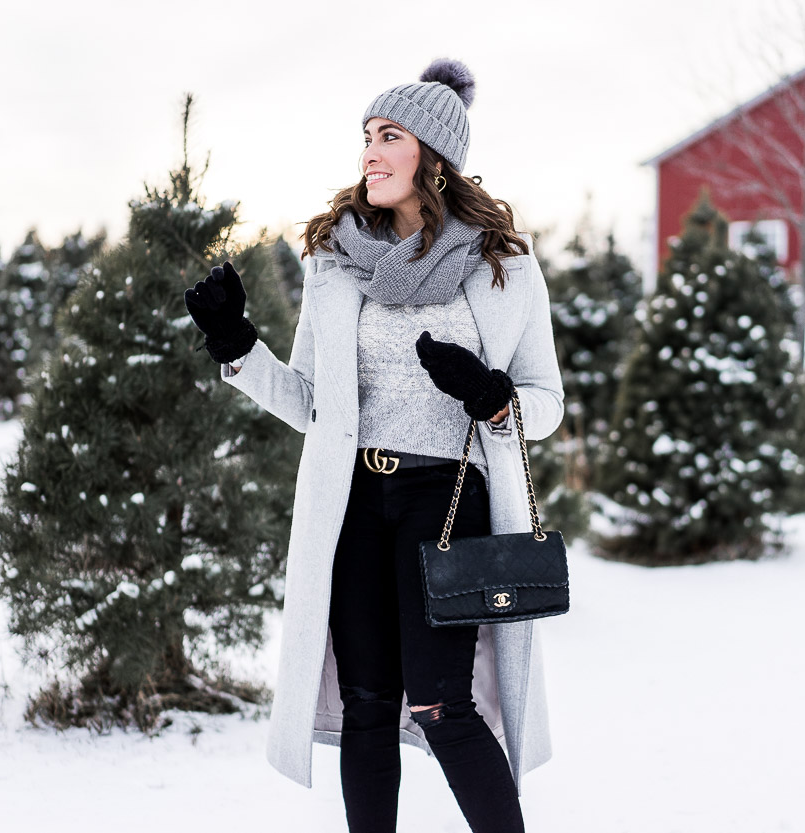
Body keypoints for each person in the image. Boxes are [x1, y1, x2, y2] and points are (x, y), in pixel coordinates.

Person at [183, 57, 564, 833]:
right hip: (354, 498)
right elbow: (311, 403)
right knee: (365, 702)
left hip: (446, 502)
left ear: (432, 153)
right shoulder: (335, 260)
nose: (370, 150)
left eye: (389, 134)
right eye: (366, 135)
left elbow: (547, 403)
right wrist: (237, 344)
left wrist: (493, 399)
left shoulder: (504, 267)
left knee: (440, 702)